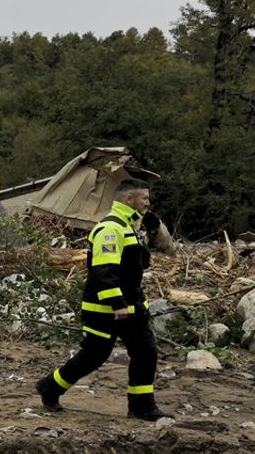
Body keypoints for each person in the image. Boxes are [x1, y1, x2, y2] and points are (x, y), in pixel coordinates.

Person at [36, 179, 170, 421]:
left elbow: (137, 264)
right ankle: (50, 386)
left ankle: (141, 406)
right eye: (145, 199)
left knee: (146, 352)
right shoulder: (110, 228)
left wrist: (151, 232)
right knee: (93, 357)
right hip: (106, 309)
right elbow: (104, 271)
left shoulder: (129, 226)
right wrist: (117, 304)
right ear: (129, 200)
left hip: (132, 307)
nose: (148, 204)